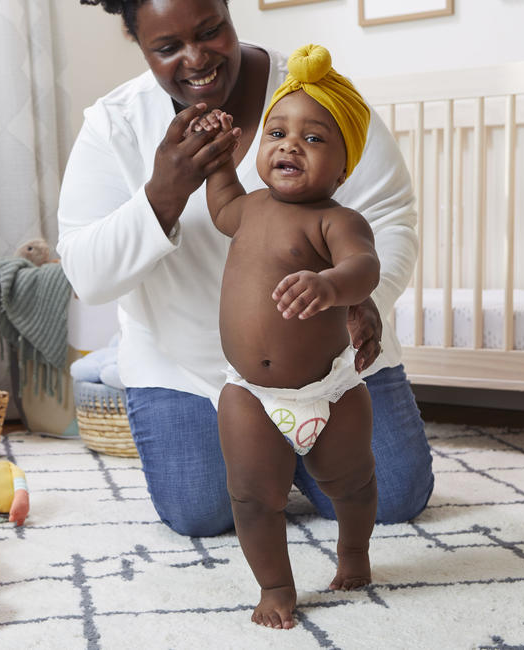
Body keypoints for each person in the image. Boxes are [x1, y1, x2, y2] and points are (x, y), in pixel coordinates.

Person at [60, 0, 433, 542]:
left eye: (211, 31)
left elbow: (390, 215)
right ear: (139, 44)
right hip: (187, 366)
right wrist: (162, 192)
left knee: (393, 500)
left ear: (229, 12)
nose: (196, 59)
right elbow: (86, 277)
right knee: (203, 513)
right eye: (167, 48)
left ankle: (291, 454)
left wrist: (359, 296)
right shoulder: (114, 125)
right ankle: (277, 455)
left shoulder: (318, 94)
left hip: (329, 361)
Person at [192, 44, 379, 628]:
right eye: (276, 131)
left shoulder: (337, 220)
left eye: (315, 137)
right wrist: (219, 159)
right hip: (250, 393)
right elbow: (219, 203)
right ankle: (276, 587)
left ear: (344, 165)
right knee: (251, 497)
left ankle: (353, 552)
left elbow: (364, 266)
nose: (290, 144)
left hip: (330, 392)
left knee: (350, 482)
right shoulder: (248, 208)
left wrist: (330, 285)